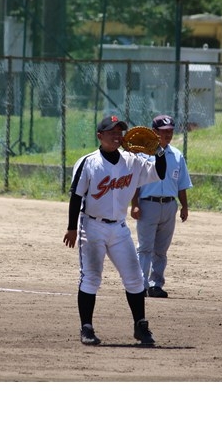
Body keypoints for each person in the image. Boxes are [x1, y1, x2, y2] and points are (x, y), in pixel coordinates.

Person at [63, 114, 167, 346]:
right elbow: (76, 196)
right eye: (111, 132)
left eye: (120, 132)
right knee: (91, 277)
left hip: (119, 228)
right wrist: (71, 228)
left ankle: (141, 326)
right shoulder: (88, 162)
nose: (117, 136)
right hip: (92, 226)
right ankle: (87, 328)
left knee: (135, 278)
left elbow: (159, 172)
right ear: (100, 136)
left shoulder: (132, 161)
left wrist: (159, 151)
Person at [130, 114, 192, 298]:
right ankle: (140, 285)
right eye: (164, 131)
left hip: (169, 206)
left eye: (170, 131)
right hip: (148, 205)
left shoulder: (177, 155)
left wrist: (184, 206)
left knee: (161, 250)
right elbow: (136, 182)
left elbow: (181, 184)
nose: (168, 134)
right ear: (154, 132)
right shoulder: (143, 155)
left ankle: (156, 284)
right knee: (145, 247)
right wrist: (135, 204)